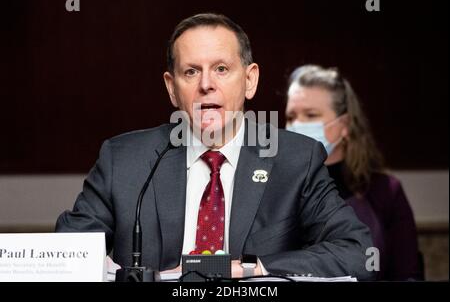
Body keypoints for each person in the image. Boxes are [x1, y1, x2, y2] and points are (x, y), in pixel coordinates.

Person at [56, 14, 374, 280]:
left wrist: (252, 269)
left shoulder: (294, 160)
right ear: (171, 88)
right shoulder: (124, 160)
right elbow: (65, 256)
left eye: (221, 69)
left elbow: (357, 252)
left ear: (250, 80)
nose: (206, 83)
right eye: (191, 71)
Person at [285, 65, 422, 280]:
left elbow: (408, 275)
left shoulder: (385, 192)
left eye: (311, 115)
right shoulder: (275, 190)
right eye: (291, 117)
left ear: (344, 124)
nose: (297, 124)